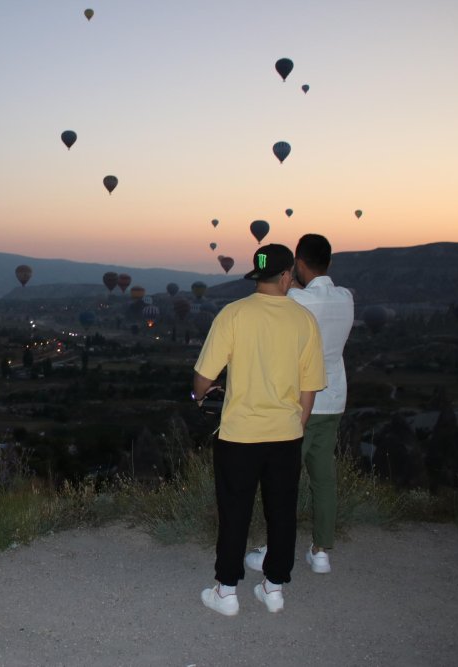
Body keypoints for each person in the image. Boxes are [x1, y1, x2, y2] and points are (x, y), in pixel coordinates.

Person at [193, 244, 326, 616]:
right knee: (282, 512)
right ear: (287, 276)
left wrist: (197, 395)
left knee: (235, 510)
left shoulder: (233, 314)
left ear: (259, 274)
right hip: (285, 434)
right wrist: (296, 425)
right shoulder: (304, 321)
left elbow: (204, 377)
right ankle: (274, 587)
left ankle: (227, 591)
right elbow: (309, 385)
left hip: (240, 435)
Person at [245, 234, 354, 574]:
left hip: (298, 402)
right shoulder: (346, 298)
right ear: (329, 262)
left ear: (299, 264)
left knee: (282, 481)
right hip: (333, 397)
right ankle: (320, 551)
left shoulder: (296, 299)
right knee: (324, 478)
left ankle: (275, 553)